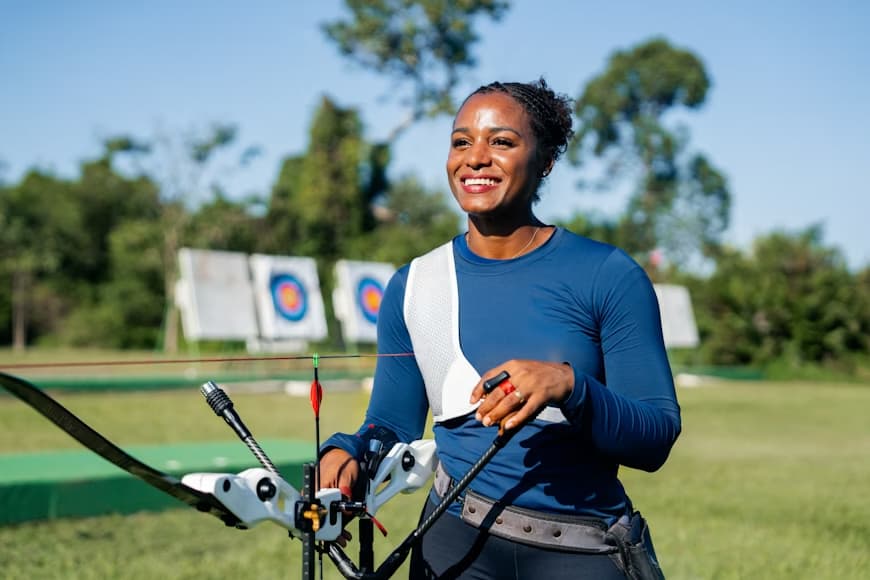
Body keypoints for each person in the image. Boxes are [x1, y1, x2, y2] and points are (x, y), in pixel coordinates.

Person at [319, 78, 681, 579]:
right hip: (452, 543)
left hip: (580, 548)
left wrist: (569, 386)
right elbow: (393, 424)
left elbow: (656, 437)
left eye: (502, 142)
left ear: (546, 160)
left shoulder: (609, 275)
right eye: (461, 142)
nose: (475, 158)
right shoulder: (414, 284)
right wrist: (351, 449)